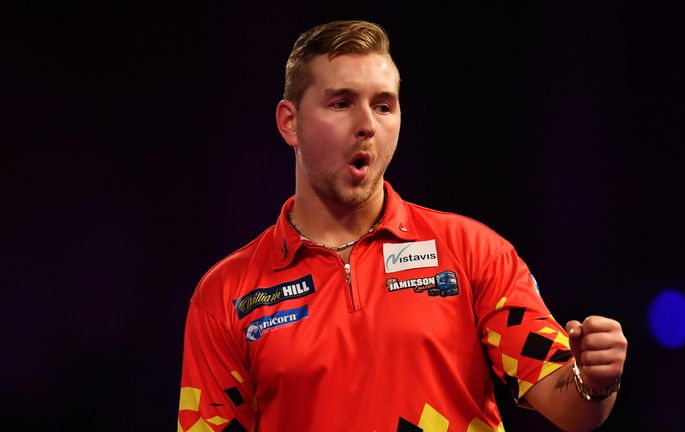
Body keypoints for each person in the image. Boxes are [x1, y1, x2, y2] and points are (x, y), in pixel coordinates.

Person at [177, 20, 627, 432]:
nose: (367, 125)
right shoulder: (225, 295)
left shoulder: (474, 252)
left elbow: (570, 405)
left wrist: (594, 381)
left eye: (383, 106)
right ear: (289, 122)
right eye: (341, 103)